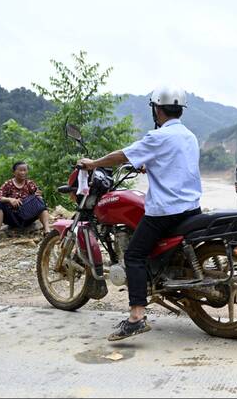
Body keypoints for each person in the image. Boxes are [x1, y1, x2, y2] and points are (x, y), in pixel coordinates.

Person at [78, 86, 202, 341]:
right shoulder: (188, 135)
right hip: (191, 207)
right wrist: (149, 165)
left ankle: (136, 317)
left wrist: (94, 163)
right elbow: (174, 164)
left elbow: (122, 155)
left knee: (134, 254)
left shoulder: (158, 137)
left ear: (157, 109)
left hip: (166, 210)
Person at [0, 161, 50, 244]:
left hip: (28, 215)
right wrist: (10, 200)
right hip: (12, 217)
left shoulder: (30, 184)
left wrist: (38, 196)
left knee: (41, 204)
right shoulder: (8, 184)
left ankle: (47, 231)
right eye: (20, 170)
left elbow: (38, 194)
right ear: (14, 172)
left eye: (25, 170)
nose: (23, 172)